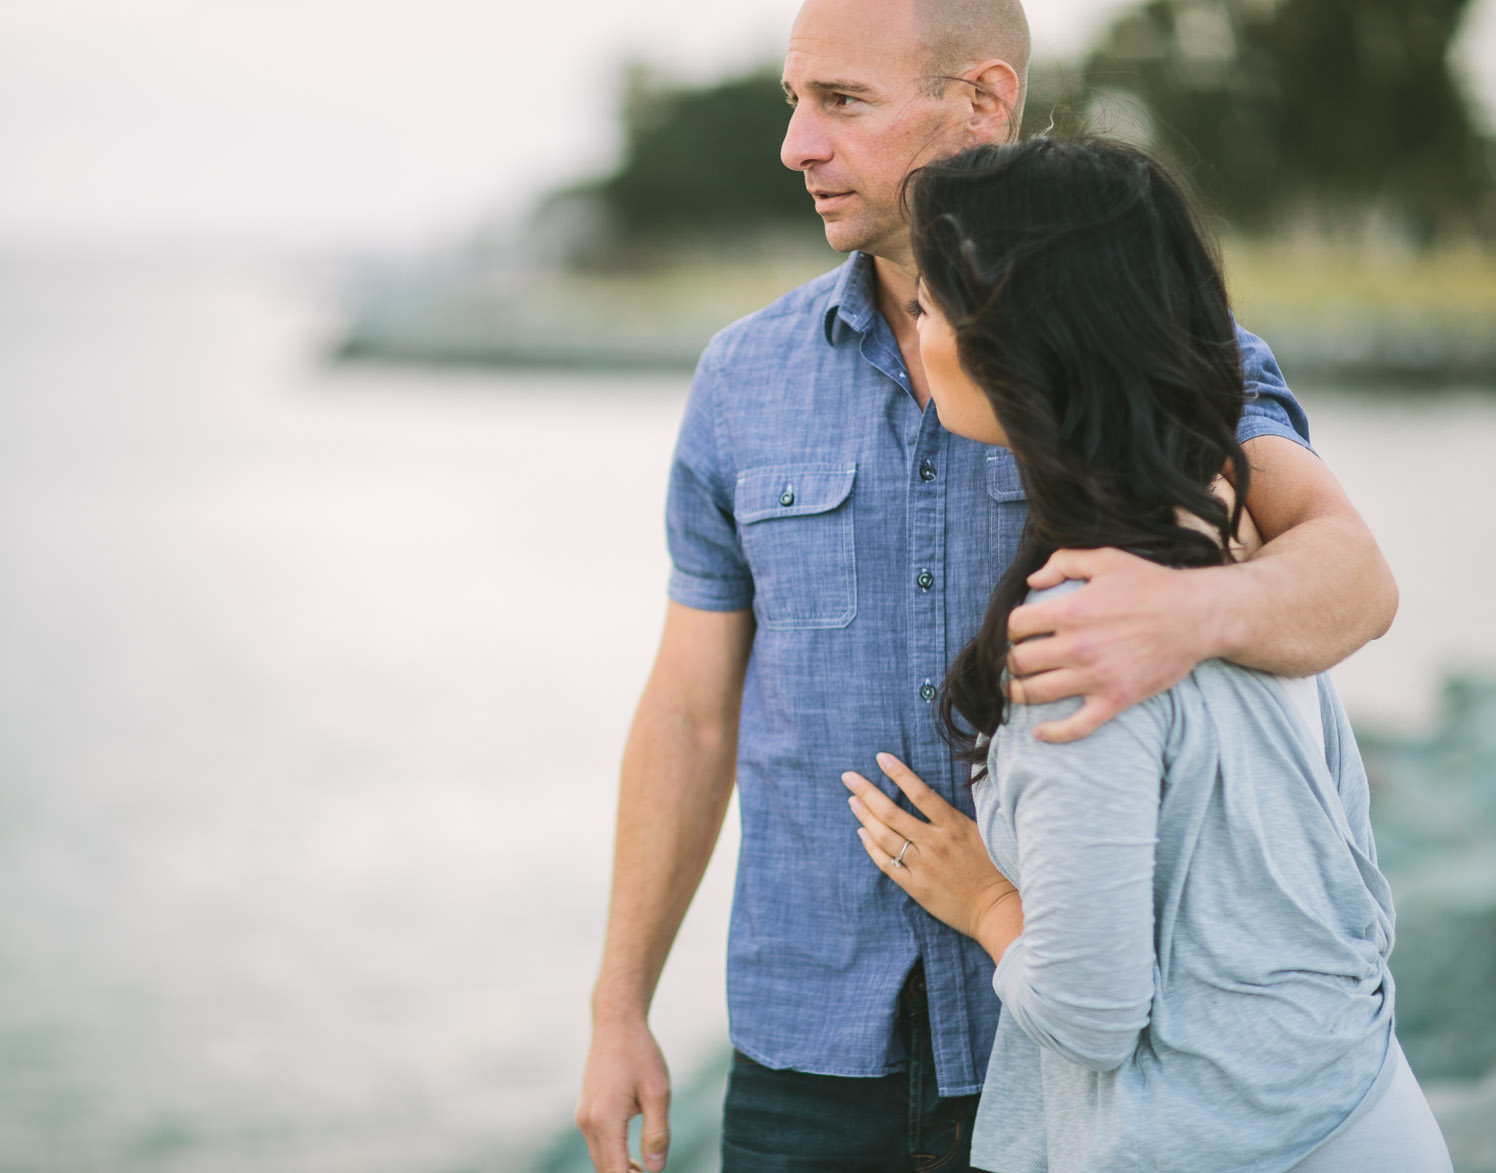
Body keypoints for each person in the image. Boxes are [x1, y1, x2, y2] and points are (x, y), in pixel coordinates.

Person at [574, 0, 1398, 1168]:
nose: (796, 145)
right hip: (807, 1040)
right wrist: (619, 1008)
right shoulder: (742, 377)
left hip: (1059, 1054)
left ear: (982, 100)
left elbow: (1353, 578)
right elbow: (689, 712)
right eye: (793, 101)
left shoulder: (1147, 342)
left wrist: (1182, 613)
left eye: (841, 102)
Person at [843, 135, 1449, 1172]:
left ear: (1020, 341)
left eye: (932, 304)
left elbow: (1089, 1014)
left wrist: (984, 900)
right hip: (1363, 1103)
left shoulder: (1090, 639)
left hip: (1231, 1147)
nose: (916, 328)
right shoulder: (1238, 543)